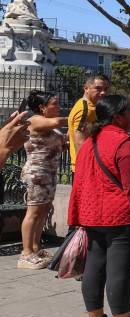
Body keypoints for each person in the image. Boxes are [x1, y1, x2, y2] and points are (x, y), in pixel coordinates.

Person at [68, 96, 130, 317]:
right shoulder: (123, 143)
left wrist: (75, 214)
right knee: (119, 271)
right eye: (128, 111)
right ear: (117, 116)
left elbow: (79, 182)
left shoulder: (88, 143)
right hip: (121, 216)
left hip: (92, 215)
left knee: (94, 268)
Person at [17, 91, 68, 269]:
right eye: (55, 103)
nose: (59, 107)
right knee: (34, 212)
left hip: (49, 173)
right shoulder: (35, 120)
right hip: (37, 174)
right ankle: (26, 253)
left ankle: (36, 248)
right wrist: (81, 115)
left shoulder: (52, 127)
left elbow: (60, 142)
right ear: (42, 107)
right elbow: (57, 121)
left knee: (44, 210)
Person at [67, 73, 110, 169]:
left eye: (106, 89)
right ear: (86, 88)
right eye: (98, 89)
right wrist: (86, 168)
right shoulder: (85, 110)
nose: (103, 92)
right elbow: (80, 142)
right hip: (85, 168)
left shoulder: (88, 106)